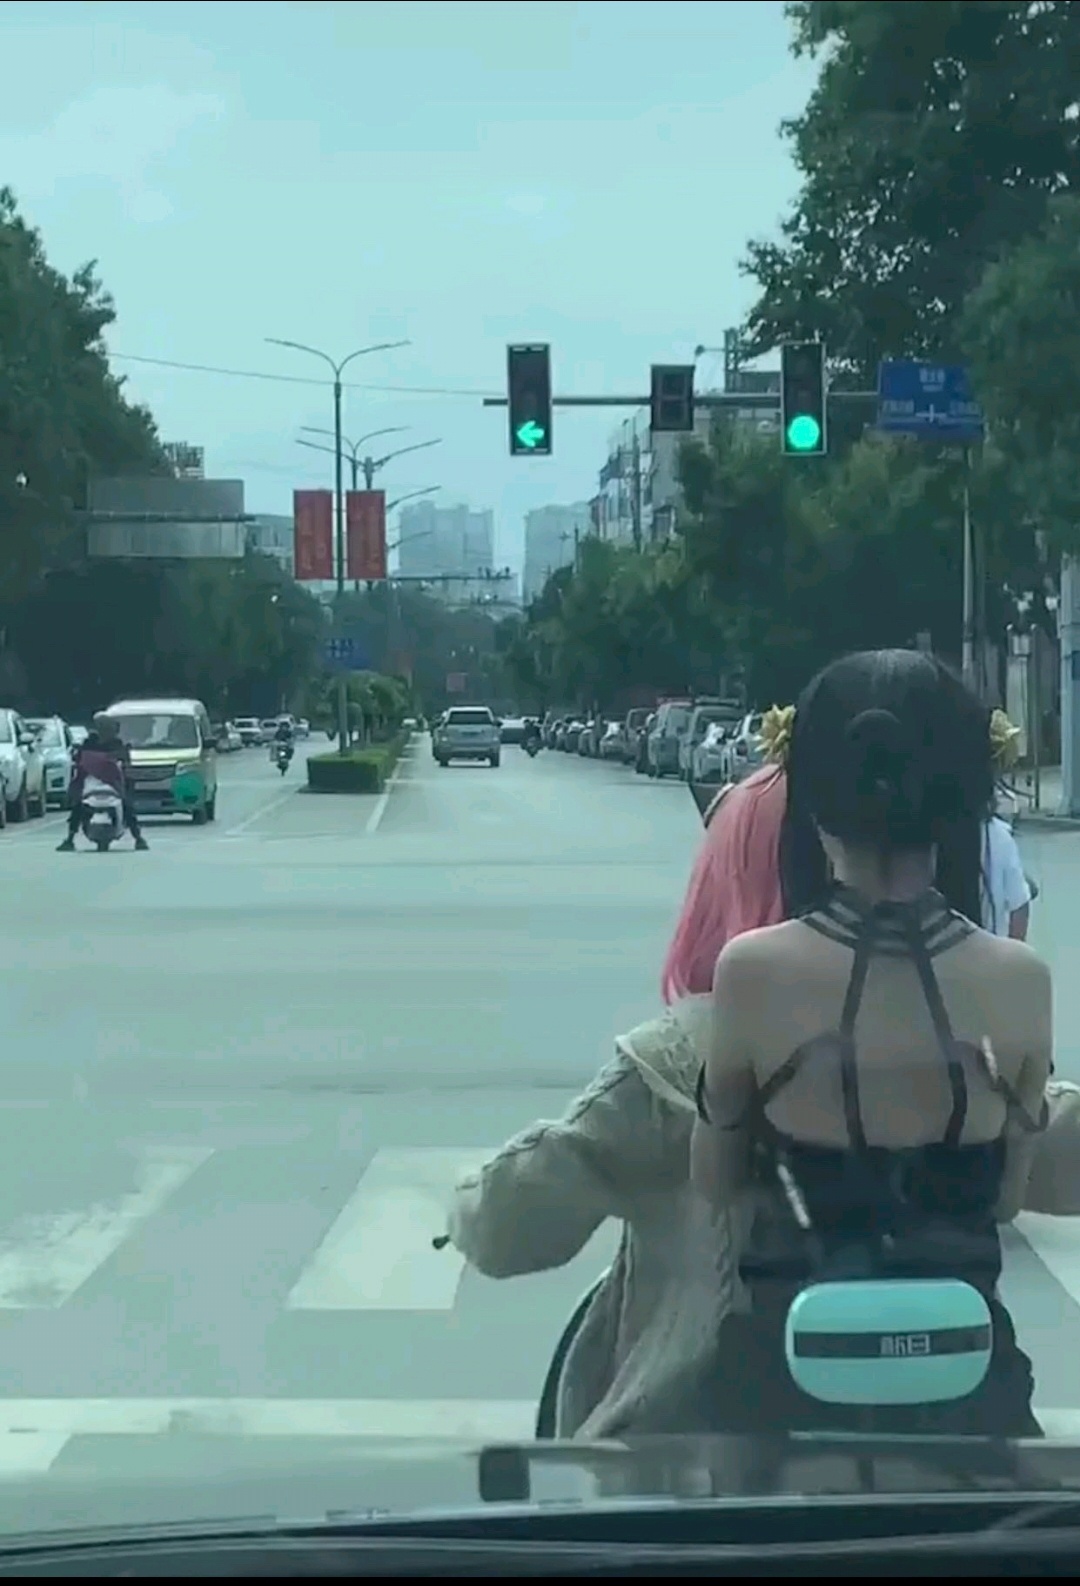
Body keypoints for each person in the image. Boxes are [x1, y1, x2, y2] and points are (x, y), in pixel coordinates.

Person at [442, 675, 1079, 1441]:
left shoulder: (691, 1041)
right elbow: (1021, 1179)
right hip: (968, 1408)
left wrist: (459, 1206)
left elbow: (517, 1221)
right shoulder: (1005, 997)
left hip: (727, 1435)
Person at [690, 650, 1048, 1437]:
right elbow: (1005, 1200)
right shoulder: (1021, 979)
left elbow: (714, 1181)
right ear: (963, 802)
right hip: (966, 1391)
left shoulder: (752, 972)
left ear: (808, 800)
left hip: (782, 1391)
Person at [59, 714, 148, 852]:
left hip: (113, 782)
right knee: (77, 804)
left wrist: (125, 769)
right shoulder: (89, 743)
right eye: (103, 727)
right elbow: (80, 759)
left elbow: (125, 762)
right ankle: (70, 838)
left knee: (127, 804)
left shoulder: (117, 744)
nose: (106, 730)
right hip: (91, 780)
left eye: (108, 727)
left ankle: (138, 837)